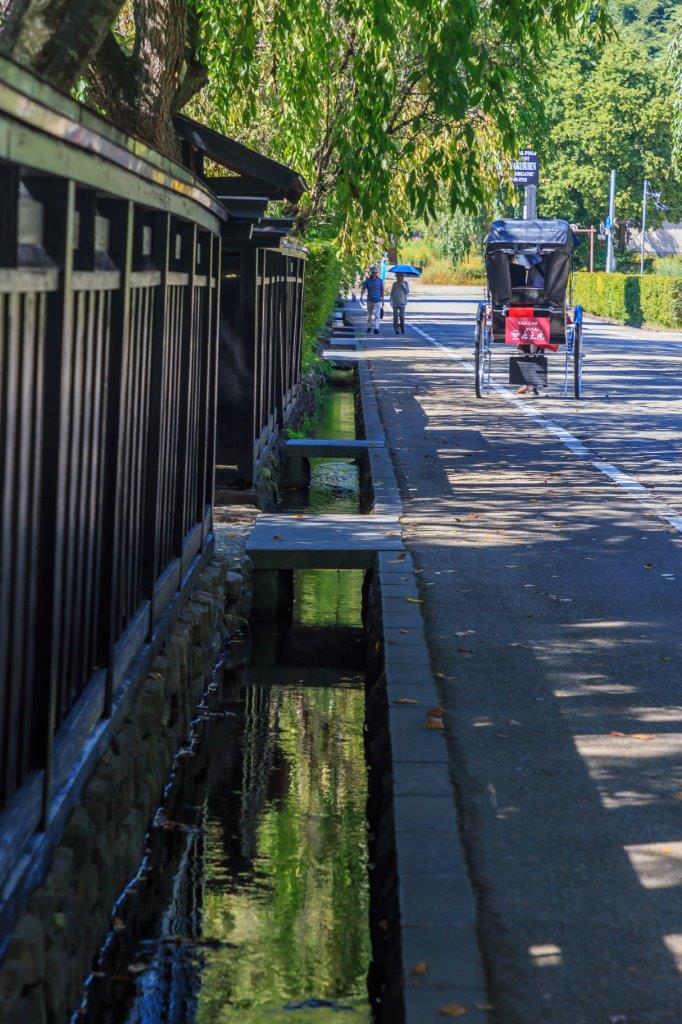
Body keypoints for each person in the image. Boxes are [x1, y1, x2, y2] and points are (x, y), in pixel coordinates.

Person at [360, 265, 384, 334]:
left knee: (377, 315)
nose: (375, 273)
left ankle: (376, 328)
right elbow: (363, 288)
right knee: (369, 315)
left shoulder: (380, 281)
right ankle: (369, 328)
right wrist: (361, 296)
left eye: (376, 272)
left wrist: (383, 299)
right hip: (370, 300)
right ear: (371, 273)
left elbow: (382, 290)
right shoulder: (367, 281)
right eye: (373, 272)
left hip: (378, 300)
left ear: (377, 273)